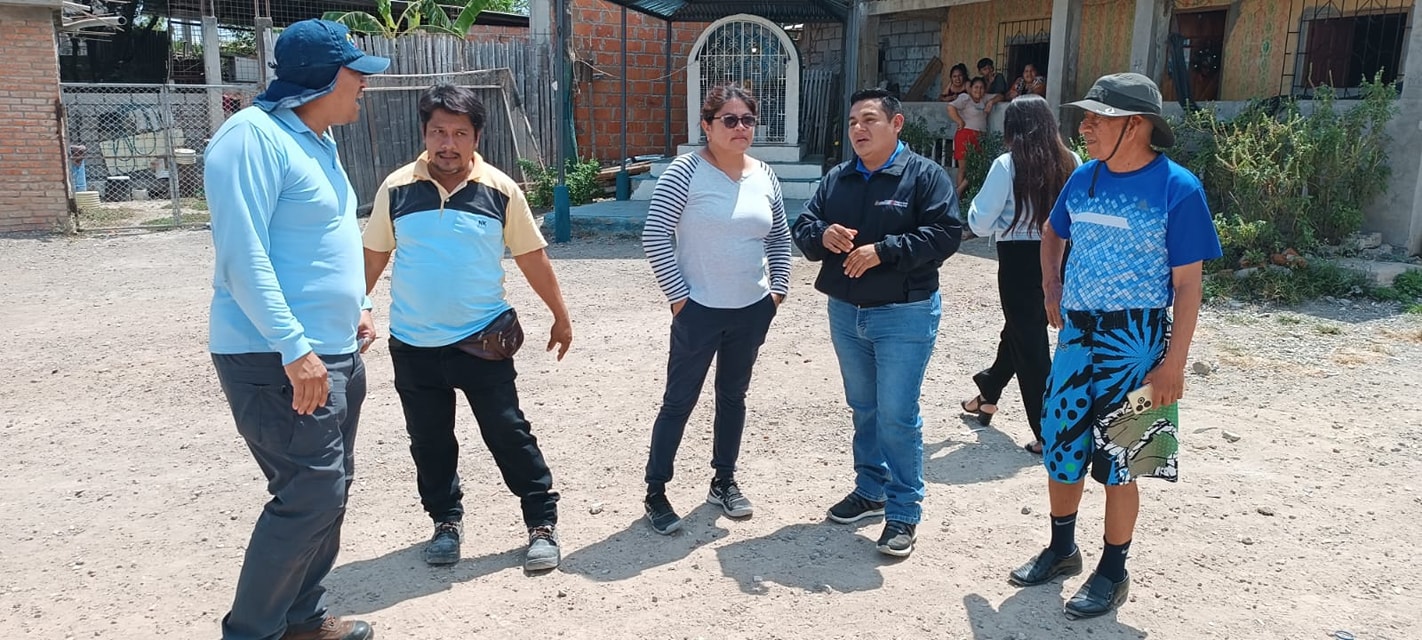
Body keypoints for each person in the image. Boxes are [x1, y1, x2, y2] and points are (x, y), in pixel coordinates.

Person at [1006, 73, 1221, 620]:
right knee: (1061, 449)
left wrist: (1174, 364)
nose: (1085, 127)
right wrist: (1051, 286)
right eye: (1086, 117)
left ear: (1136, 125)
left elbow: (1188, 285)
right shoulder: (1084, 178)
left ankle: (1113, 571)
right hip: (1076, 338)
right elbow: (1052, 232)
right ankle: (1061, 549)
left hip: (1138, 343)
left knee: (1123, 460)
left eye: (1097, 118)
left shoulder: (1177, 188)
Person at [204, 19, 388, 640]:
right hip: (277, 358)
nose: (364, 84)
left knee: (329, 491)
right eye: (356, 73)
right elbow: (243, 256)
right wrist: (294, 346)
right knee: (309, 495)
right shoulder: (250, 140)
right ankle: (252, 631)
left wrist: (360, 302)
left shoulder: (315, 139)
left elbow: (329, 236)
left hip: (333, 350)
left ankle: (301, 620)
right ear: (325, 78)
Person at [362, 83, 574, 573]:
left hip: (482, 341)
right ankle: (445, 523)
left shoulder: (500, 190)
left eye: (460, 133)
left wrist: (560, 315)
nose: (448, 144)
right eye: (438, 132)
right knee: (429, 441)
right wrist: (360, 305)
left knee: (508, 432)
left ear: (477, 137)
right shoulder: (396, 189)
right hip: (414, 345)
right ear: (424, 133)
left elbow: (532, 257)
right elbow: (373, 256)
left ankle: (541, 523)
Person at [792, 88, 962, 558]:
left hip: (904, 313)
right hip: (846, 313)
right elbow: (803, 226)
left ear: (896, 124)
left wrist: (884, 251)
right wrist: (822, 234)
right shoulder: (838, 178)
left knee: (896, 414)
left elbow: (946, 234)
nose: (858, 130)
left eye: (869, 120)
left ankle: (904, 511)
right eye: (852, 122)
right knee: (864, 407)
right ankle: (870, 489)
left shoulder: (924, 176)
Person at [640, 83, 791, 534]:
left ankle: (723, 481)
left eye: (747, 119)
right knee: (679, 401)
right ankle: (656, 492)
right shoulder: (685, 172)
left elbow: (779, 237)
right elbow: (655, 235)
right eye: (729, 119)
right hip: (699, 310)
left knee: (733, 396)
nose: (740, 127)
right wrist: (679, 298)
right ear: (707, 126)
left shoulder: (764, 175)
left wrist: (777, 291)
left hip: (751, 309)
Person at [964, 95, 1079, 455]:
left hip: (1018, 256)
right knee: (1020, 330)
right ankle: (988, 391)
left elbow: (980, 223)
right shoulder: (1072, 160)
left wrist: (976, 212)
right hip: (1062, 253)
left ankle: (1049, 432)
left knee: (1029, 342)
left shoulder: (1007, 164)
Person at [948, 78, 992, 196]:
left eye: (981, 88)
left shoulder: (984, 99)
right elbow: (950, 107)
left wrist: (991, 102)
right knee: (963, 168)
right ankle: (960, 197)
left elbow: (1000, 96)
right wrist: (959, 121)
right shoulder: (965, 98)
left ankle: (958, 191)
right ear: (971, 88)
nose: (979, 90)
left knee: (978, 166)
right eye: (976, 87)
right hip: (965, 135)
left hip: (980, 137)